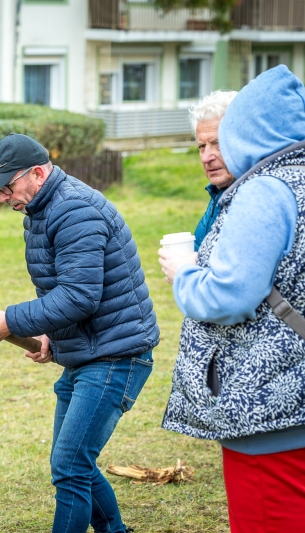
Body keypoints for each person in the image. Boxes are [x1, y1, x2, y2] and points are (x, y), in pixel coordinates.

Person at [0, 133, 159, 533]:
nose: (3, 198)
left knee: (70, 465)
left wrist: (13, 320)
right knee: (74, 463)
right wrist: (51, 338)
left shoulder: (74, 209)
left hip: (116, 356)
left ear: (38, 174)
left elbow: (79, 297)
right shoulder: (42, 211)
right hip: (88, 352)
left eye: (7, 187)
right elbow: (70, 291)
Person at [159, 65, 305, 532]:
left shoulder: (266, 189)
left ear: (248, 130)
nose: (209, 155)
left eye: (222, 138)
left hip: (269, 413)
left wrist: (184, 275)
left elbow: (231, 295)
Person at [189, 90, 238, 250]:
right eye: (202, 146)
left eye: (217, 143)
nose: (206, 158)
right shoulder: (218, 193)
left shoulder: (254, 199)